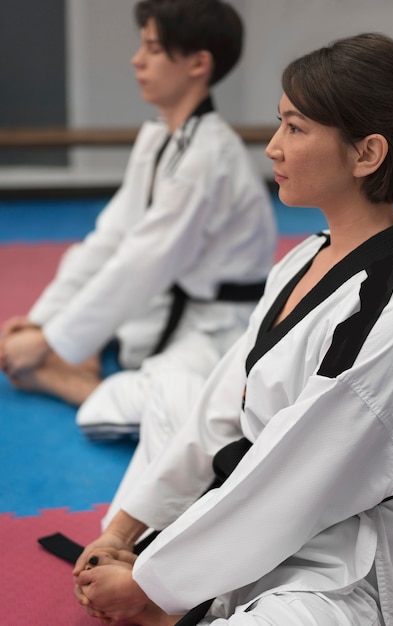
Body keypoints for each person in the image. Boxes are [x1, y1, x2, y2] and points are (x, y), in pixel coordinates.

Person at [71, 32, 393, 625]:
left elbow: (294, 477)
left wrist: (152, 586)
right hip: (252, 510)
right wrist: (124, 530)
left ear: (367, 154)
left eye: (296, 128)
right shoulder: (303, 259)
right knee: (174, 396)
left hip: (339, 563)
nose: (273, 148)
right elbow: (222, 407)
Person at [0, 0, 276, 440]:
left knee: (150, 416)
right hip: (164, 300)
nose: (136, 59)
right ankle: (79, 358)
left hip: (215, 325)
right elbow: (112, 240)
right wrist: (41, 323)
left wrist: (47, 345)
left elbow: (144, 263)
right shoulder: (157, 137)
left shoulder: (207, 157)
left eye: (151, 48)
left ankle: (76, 378)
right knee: (82, 256)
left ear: (198, 64)